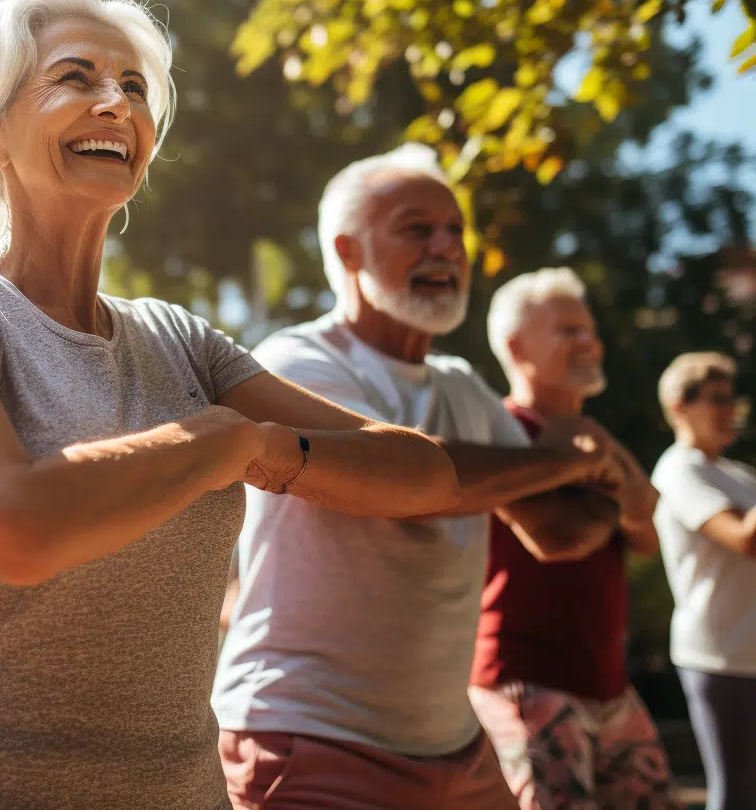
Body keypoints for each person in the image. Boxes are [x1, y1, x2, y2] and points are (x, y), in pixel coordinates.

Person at [0, 0, 459, 810]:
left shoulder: (181, 340)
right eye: (75, 77)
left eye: (133, 89)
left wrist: (263, 445)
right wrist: (214, 445)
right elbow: (11, 525)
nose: (115, 105)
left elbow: (424, 479)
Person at [213, 144, 636, 810]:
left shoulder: (464, 387)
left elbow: (562, 529)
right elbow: (403, 489)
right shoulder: (295, 361)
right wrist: (565, 462)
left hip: (457, 750)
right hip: (307, 734)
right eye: (418, 229)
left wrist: (564, 481)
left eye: (455, 232)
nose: (447, 248)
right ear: (348, 252)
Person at [469, 268, 678, 809]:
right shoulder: (497, 431)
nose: (591, 341)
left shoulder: (597, 436)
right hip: (525, 685)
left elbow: (647, 533)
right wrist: (622, 501)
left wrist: (624, 507)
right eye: (568, 331)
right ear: (516, 346)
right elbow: (562, 538)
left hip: (609, 685)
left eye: (589, 329)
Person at [652, 352, 756, 810]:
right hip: (719, 656)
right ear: (679, 406)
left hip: (749, 652)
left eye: (730, 399)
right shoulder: (679, 469)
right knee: (735, 795)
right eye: (715, 399)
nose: (728, 410)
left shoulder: (739, 475)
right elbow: (743, 539)